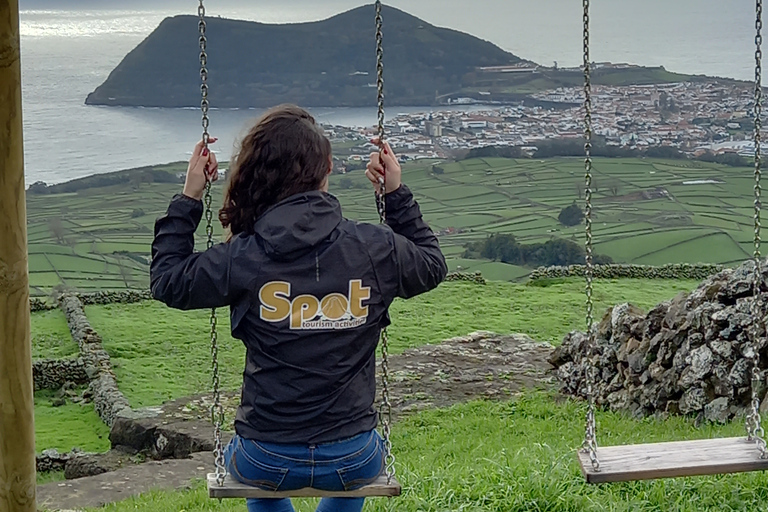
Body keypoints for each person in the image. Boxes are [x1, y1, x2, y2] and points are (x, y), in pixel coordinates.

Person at [150, 104, 447, 512]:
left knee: (262, 471)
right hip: (353, 454)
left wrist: (190, 196)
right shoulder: (374, 248)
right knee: (349, 472)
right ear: (326, 167)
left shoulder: (244, 256)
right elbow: (432, 265)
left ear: (256, 171)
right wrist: (394, 195)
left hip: (265, 456)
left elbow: (168, 280)